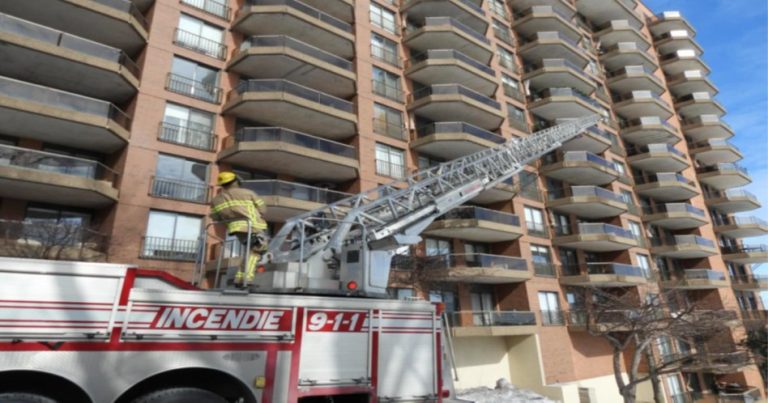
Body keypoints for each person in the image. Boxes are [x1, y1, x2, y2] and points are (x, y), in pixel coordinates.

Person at [209, 171, 268, 285]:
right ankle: (246, 279)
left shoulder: (216, 200)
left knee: (250, 251)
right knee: (257, 251)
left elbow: (215, 217)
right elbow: (263, 210)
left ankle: (239, 278)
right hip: (253, 227)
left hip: (236, 229)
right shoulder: (248, 193)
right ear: (236, 180)